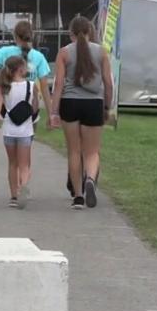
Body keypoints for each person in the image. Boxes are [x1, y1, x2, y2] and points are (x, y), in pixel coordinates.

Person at [49, 15, 113, 210]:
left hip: (70, 103)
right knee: (92, 152)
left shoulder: (64, 53)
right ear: (90, 32)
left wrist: (54, 111)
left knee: (74, 151)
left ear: (71, 34)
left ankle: (78, 196)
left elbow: (59, 83)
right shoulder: (101, 52)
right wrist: (107, 106)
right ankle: (90, 179)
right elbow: (108, 83)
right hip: (94, 103)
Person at [0, 56, 39, 209]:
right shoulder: (31, 86)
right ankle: (23, 186)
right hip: (25, 130)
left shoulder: (4, 87)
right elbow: (35, 107)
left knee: (12, 164)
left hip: (9, 130)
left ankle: (13, 196)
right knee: (24, 165)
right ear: (21, 69)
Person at [0, 20, 53, 121]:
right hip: (30, 105)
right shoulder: (39, 57)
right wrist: (50, 114)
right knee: (29, 136)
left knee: (10, 135)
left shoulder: (5, 52)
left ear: (15, 36)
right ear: (31, 36)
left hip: (8, 106)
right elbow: (44, 87)